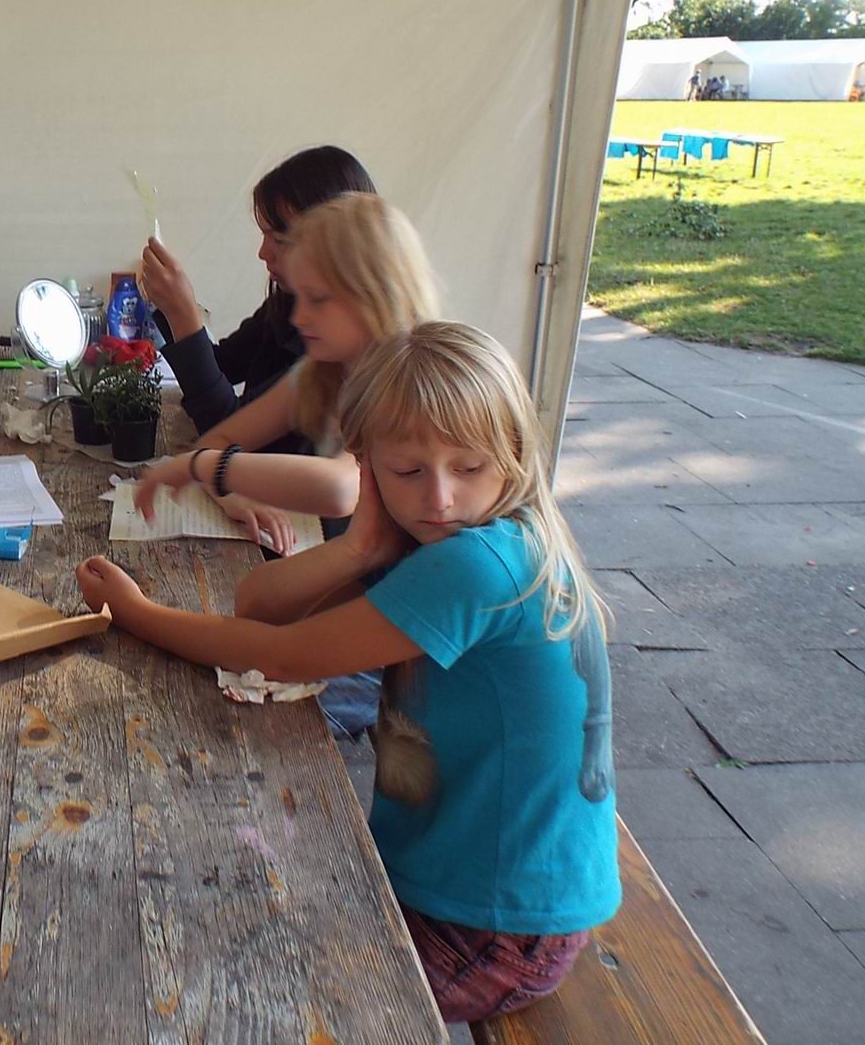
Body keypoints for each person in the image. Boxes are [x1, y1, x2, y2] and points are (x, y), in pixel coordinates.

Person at [76, 320, 618, 1022]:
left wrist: (135, 612)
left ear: (513, 454)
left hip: (492, 930)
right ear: (368, 467)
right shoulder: (458, 540)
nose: (439, 498)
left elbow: (274, 654)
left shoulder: (474, 564)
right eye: (408, 472)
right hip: (492, 895)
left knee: (229, 984)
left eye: (468, 467)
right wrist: (362, 545)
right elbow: (259, 606)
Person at [136, 193, 439, 551]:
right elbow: (217, 438)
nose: (298, 317)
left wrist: (205, 469)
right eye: (298, 298)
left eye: (317, 299)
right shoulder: (321, 372)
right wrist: (231, 495)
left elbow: (341, 488)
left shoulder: (414, 385)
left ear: (376, 295)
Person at [139, 146, 376, 449]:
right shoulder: (289, 304)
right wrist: (170, 306)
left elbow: (230, 434)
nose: (263, 253)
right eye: (264, 235)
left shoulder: (331, 347)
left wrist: (183, 314)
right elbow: (223, 365)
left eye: (279, 239)